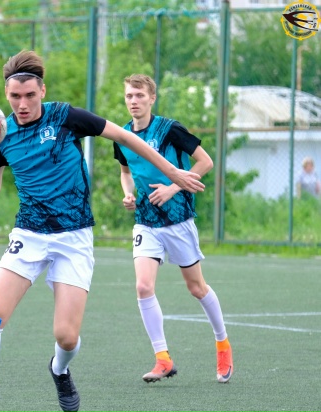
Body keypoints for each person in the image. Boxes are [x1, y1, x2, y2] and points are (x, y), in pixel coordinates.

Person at [0, 51, 205, 412]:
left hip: (74, 238)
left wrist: (173, 173)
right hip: (28, 234)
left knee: (66, 337)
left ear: (42, 91)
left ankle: (59, 370)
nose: (22, 104)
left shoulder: (65, 117)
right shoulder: (1, 132)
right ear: (6, 95)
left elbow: (125, 137)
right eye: (14, 96)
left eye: (29, 95)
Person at [113, 74, 233, 385]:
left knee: (196, 288)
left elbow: (205, 162)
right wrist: (128, 193)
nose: (134, 101)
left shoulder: (169, 129)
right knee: (143, 287)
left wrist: (173, 187)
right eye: (129, 96)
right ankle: (163, 359)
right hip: (145, 222)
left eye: (139, 95)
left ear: (152, 98)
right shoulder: (122, 136)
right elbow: (125, 172)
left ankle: (222, 344)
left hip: (178, 220)